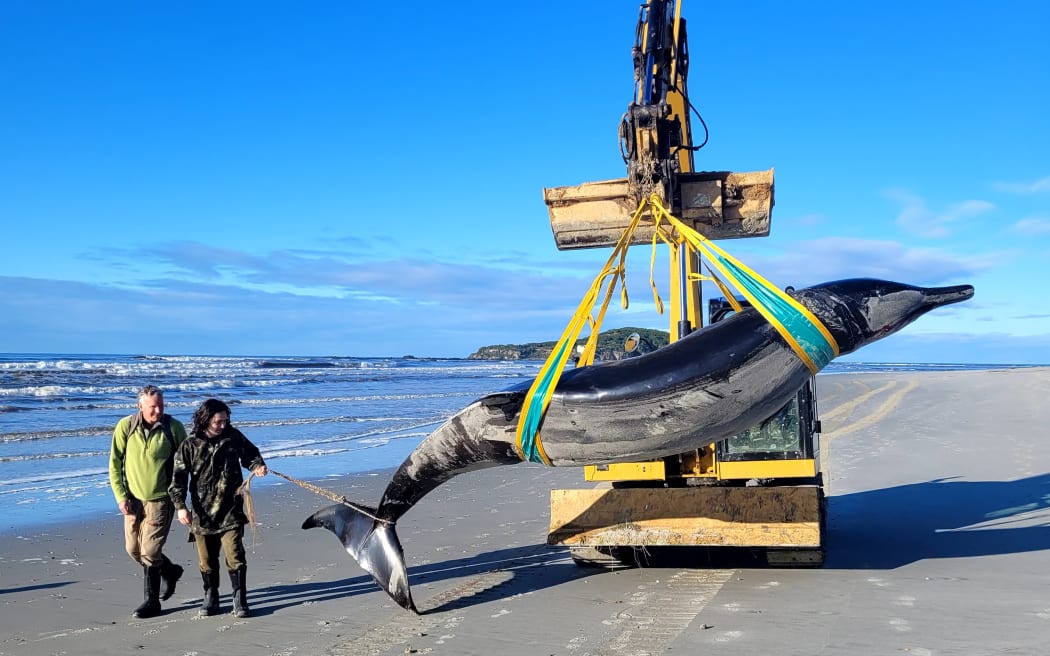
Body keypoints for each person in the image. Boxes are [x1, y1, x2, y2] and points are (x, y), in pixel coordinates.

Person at [170, 398, 268, 618]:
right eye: (218, 421)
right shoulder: (189, 445)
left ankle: (239, 599)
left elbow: (251, 454)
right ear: (205, 419)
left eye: (226, 420)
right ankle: (211, 596)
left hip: (231, 510)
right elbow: (177, 479)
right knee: (206, 559)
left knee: (235, 555)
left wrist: (258, 465)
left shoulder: (233, 437)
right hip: (202, 513)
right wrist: (180, 507)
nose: (223, 425)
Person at [109, 384, 188, 619]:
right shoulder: (126, 426)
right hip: (133, 501)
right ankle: (170, 571)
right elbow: (114, 464)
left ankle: (151, 602)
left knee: (150, 551)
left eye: (161, 406)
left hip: (161, 500)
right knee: (133, 550)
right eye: (153, 407)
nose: (157, 411)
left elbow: (185, 465)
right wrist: (121, 496)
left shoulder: (173, 428)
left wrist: (181, 500)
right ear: (140, 406)